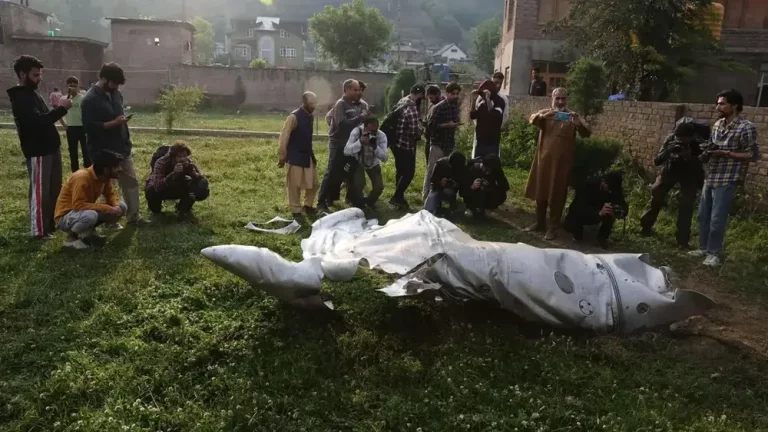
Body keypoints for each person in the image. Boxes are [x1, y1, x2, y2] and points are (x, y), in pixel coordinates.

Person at [689, 89, 759, 267]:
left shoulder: (746, 127)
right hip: (710, 175)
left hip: (727, 178)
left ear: (734, 106)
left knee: (717, 218)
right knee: (703, 215)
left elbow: (752, 155)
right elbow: (713, 146)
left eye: (722, 104)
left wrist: (726, 153)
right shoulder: (718, 124)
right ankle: (703, 248)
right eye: (718, 103)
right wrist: (707, 151)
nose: (717, 107)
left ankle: (714, 254)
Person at [7, 55, 73, 239]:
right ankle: (39, 230)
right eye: (35, 75)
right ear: (22, 74)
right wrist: (62, 109)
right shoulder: (20, 97)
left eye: (40, 75)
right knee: (40, 192)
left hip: (50, 147)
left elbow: (43, 118)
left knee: (53, 189)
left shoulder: (31, 93)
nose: (39, 78)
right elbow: (37, 122)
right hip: (38, 150)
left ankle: (50, 224)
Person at [82, 62, 147, 227]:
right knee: (108, 186)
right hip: (104, 150)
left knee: (131, 182)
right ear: (104, 78)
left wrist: (122, 124)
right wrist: (113, 123)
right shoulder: (89, 99)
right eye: (114, 83)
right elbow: (89, 128)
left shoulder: (116, 94)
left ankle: (134, 216)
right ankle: (110, 221)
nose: (116, 87)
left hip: (122, 147)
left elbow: (119, 114)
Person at [525, 88, 591, 240]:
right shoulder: (546, 113)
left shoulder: (573, 116)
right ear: (552, 99)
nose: (560, 102)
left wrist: (578, 124)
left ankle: (553, 227)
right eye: (558, 98)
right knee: (541, 191)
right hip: (543, 162)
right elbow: (532, 119)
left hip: (562, 165)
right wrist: (543, 116)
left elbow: (587, 133)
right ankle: (540, 223)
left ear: (567, 99)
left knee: (558, 194)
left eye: (563, 98)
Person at [640, 121, 705, 248]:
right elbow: (657, 160)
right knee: (656, 196)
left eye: (683, 140)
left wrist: (688, 156)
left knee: (686, 205)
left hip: (690, 174)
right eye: (678, 139)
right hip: (670, 171)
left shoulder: (698, 142)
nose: (680, 142)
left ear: (691, 137)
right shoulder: (671, 139)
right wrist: (668, 151)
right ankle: (645, 227)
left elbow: (700, 165)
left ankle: (682, 240)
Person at [54, 151, 127, 250]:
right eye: (116, 166)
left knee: (121, 206)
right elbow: (78, 205)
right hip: (64, 217)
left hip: (81, 212)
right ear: (106, 169)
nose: (120, 169)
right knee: (91, 215)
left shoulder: (104, 178)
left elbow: (110, 194)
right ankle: (71, 239)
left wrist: (115, 205)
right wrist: (107, 208)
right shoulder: (82, 177)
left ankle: (88, 232)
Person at [317, 79, 368, 212]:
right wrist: (361, 118)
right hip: (338, 143)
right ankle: (321, 202)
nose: (358, 92)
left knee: (350, 172)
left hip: (353, 144)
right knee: (332, 172)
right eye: (355, 90)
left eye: (359, 90)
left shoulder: (360, 105)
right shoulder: (341, 104)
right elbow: (343, 124)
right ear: (346, 90)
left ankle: (353, 200)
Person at [278, 92, 319, 217]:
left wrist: (312, 155)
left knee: (314, 183)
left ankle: (308, 205)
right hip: (294, 156)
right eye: (311, 103)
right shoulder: (293, 117)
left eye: (315, 103)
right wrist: (282, 156)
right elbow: (284, 137)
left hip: (307, 155)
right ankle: (295, 209)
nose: (314, 106)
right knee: (294, 186)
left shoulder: (310, 117)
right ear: (304, 102)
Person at [145, 142, 209, 220]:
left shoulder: (188, 162)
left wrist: (192, 172)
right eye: (179, 156)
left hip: (178, 186)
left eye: (184, 156)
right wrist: (173, 174)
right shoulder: (161, 162)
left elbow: (202, 180)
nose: (182, 159)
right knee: (151, 190)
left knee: (199, 187)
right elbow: (157, 186)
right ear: (173, 156)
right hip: (163, 188)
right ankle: (156, 210)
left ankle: (183, 209)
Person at [564, 171, 627, 249]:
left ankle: (602, 238)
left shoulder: (614, 189)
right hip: (581, 211)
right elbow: (579, 207)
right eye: (609, 188)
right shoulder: (588, 185)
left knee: (609, 211)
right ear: (603, 182)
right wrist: (598, 213)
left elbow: (623, 204)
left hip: (599, 211)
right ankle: (577, 233)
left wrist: (620, 211)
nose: (609, 191)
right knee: (571, 227)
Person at [422, 82, 461, 201]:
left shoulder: (455, 107)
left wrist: (455, 124)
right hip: (438, 144)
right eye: (453, 94)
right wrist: (446, 125)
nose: (455, 96)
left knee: (448, 172)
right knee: (432, 170)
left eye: (457, 94)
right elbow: (431, 126)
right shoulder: (439, 107)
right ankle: (427, 197)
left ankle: (443, 197)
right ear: (447, 93)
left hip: (449, 143)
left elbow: (455, 121)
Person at [389, 84, 425, 210]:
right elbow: (414, 131)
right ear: (419, 95)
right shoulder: (412, 107)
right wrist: (421, 131)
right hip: (406, 145)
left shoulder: (402, 101)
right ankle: (397, 197)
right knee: (409, 173)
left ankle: (399, 197)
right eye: (421, 96)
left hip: (396, 143)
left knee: (400, 171)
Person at [344, 116, 388, 208]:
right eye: (370, 132)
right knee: (359, 184)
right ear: (364, 127)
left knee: (379, 187)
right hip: (358, 161)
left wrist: (375, 147)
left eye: (374, 132)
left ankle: (369, 202)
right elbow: (346, 151)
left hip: (373, 163)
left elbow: (384, 158)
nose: (372, 135)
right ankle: (356, 202)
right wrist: (359, 142)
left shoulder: (381, 135)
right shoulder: (356, 131)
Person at [59, 76, 90, 172]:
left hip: (82, 128)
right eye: (70, 86)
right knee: (73, 152)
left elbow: (88, 114)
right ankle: (75, 173)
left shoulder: (83, 99)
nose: (73, 88)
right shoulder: (63, 99)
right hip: (71, 128)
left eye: (75, 86)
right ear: (67, 86)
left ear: (78, 87)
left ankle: (88, 172)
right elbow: (58, 114)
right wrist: (64, 126)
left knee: (86, 151)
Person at [470, 80, 506, 158]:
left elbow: (494, 116)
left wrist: (488, 99)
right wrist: (473, 100)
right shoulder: (481, 102)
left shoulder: (499, 101)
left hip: (492, 142)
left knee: (491, 163)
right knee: (477, 163)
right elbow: (473, 116)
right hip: (480, 141)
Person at [424, 151, 467, 216]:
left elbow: (463, 183)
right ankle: (437, 206)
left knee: (450, 193)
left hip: (451, 190)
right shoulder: (440, 164)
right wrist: (440, 182)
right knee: (428, 211)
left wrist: (455, 184)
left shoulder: (462, 168)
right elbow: (433, 180)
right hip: (437, 189)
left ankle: (453, 205)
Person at [423, 85, 444, 164]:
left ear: (438, 94)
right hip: (429, 140)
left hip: (438, 143)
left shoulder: (444, 106)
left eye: (431, 98)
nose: (430, 100)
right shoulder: (432, 106)